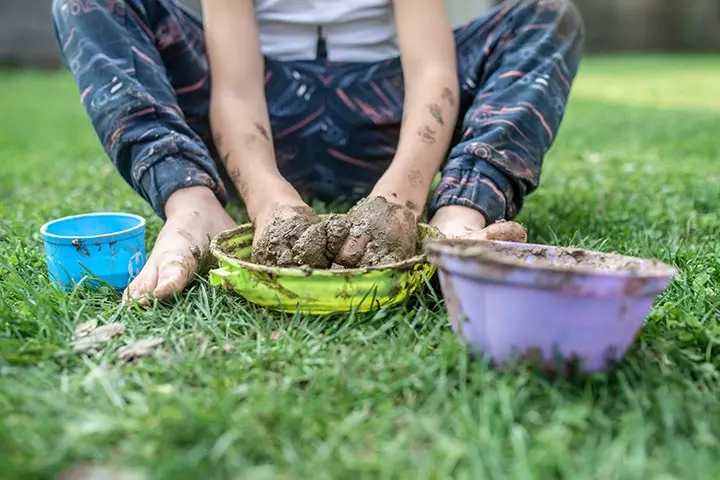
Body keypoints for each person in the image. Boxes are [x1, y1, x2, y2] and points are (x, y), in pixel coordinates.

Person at [51, 0, 584, 303]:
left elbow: (431, 70)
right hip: (259, 113)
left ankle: (458, 218)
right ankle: (195, 205)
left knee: (546, 15)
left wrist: (400, 200)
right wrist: (266, 200)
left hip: (387, 110)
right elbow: (234, 89)